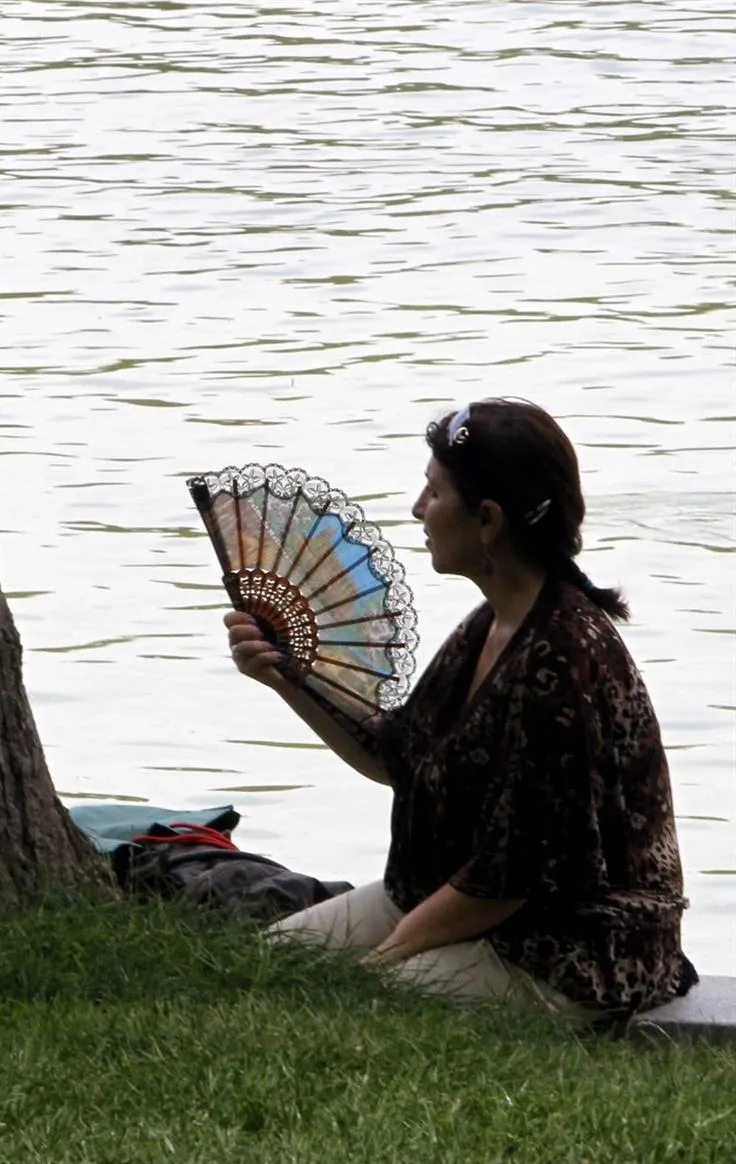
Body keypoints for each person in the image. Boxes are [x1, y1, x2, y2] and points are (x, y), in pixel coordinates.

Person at [225, 399, 693, 1017]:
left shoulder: (562, 656)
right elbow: (392, 756)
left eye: (435, 492)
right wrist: (285, 677)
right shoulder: (490, 623)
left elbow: (515, 877)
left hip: (575, 944)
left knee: (363, 1001)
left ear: (488, 519)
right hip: (466, 898)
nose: (419, 509)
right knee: (270, 963)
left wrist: (385, 956)